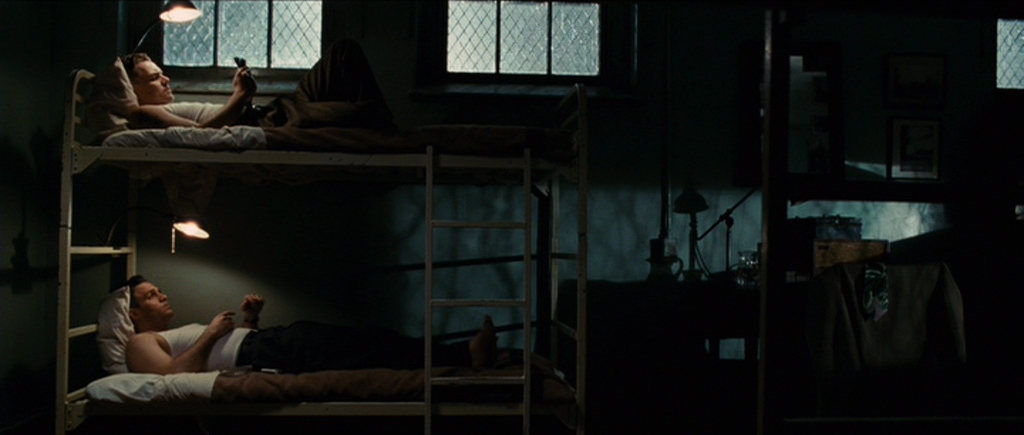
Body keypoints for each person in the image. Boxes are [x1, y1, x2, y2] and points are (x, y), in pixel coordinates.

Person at [123, 275, 498, 375]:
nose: (162, 295)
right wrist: (210, 333)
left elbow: (213, 356)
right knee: (369, 349)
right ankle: (465, 355)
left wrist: (250, 320)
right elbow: (171, 377)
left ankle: (462, 354)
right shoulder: (139, 343)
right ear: (134, 314)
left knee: (370, 341)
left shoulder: (166, 334)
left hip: (269, 342)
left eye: (159, 290)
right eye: (151, 296)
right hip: (267, 352)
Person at [120, 38, 396, 131]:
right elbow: (202, 136)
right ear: (132, 89)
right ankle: (388, 129)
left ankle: (382, 122)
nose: (166, 79)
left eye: (162, 73)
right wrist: (239, 96)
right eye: (154, 78)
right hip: (273, 121)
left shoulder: (167, 109)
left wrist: (244, 96)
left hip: (277, 108)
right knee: (365, 113)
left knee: (343, 51)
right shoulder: (142, 113)